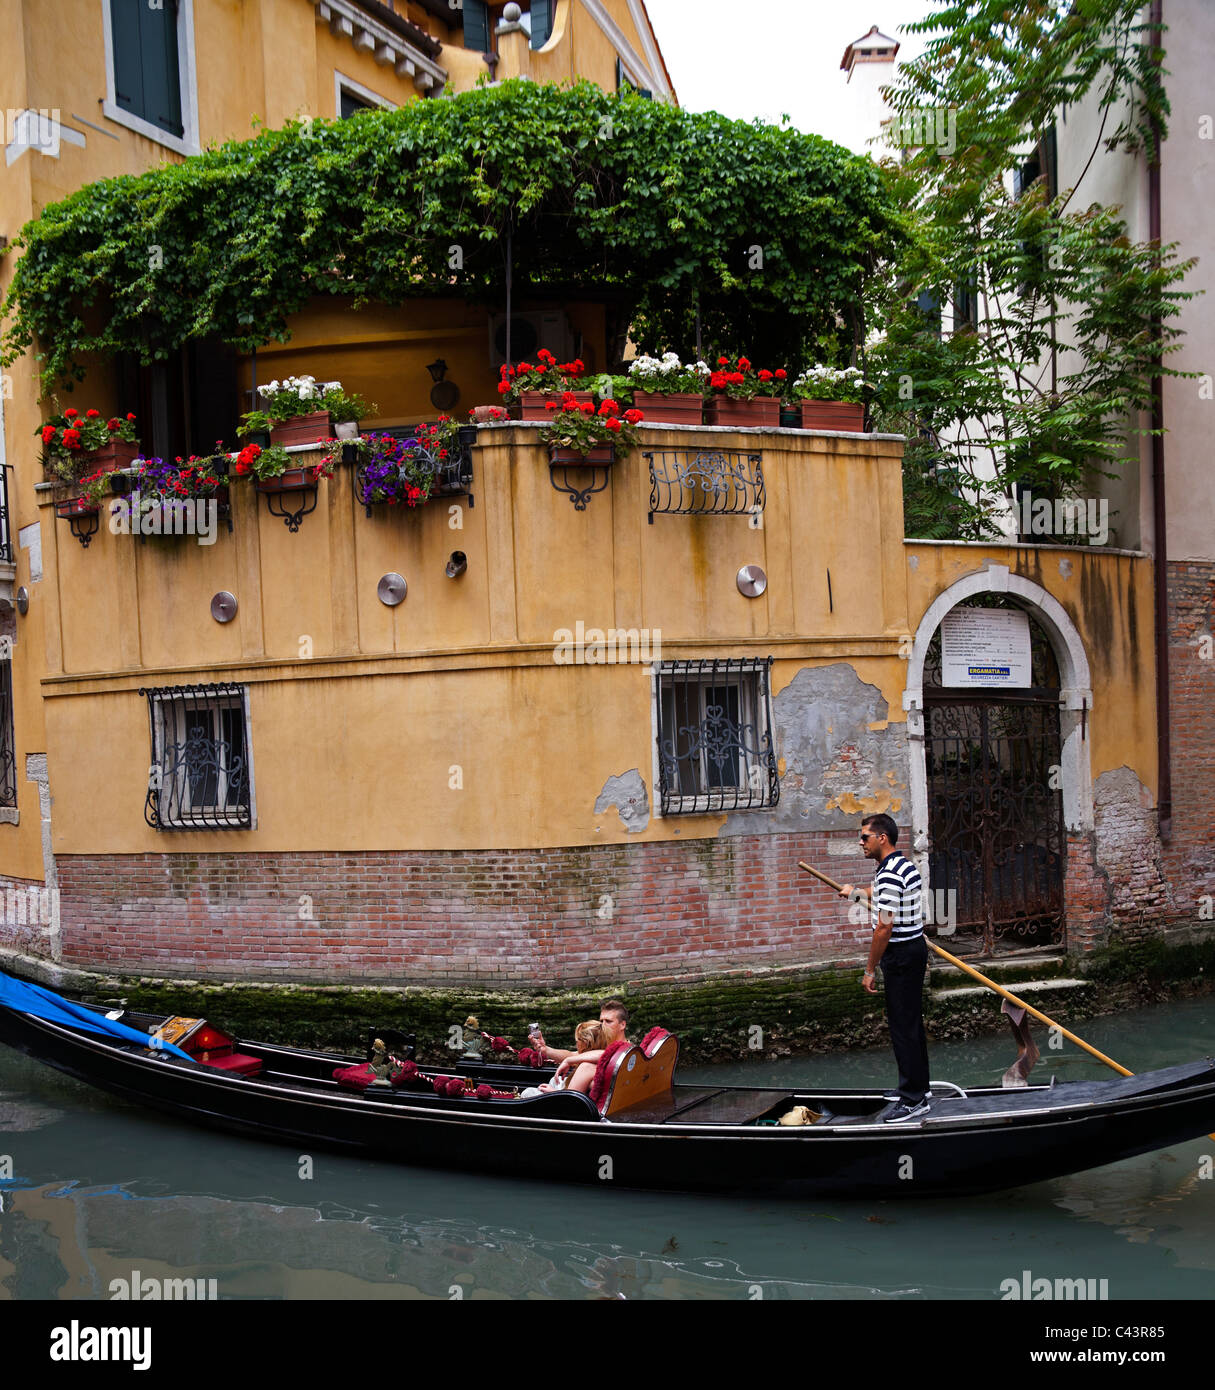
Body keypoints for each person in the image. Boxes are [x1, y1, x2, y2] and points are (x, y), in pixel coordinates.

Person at [838, 813, 931, 1123]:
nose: (860, 842)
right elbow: (880, 894)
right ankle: (919, 1087)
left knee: (902, 1027)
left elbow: (883, 928)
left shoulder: (890, 872)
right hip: (912, 950)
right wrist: (855, 893)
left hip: (901, 954)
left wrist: (869, 969)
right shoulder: (898, 866)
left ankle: (914, 1099)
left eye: (864, 837)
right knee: (911, 1023)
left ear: (882, 838)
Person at [533, 998, 631, 1067]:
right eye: (601, 1021)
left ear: (622, 1025)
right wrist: (545, 1049)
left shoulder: (628, 1052)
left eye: (608, 1021)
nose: (603, 1025)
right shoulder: (600, 1043)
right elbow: (572, 1055)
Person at [539, 1020, 605, 1094]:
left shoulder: (587, 1066)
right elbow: (571, 1054)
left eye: (578, 1039)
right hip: (569, 1094)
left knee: (528, 1092)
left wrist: (553, 1092)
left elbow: (571, 1101)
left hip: (567, 1100)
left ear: (587, 1043)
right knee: (554, 1080)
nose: (576, 1042)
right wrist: (545, 1049)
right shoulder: (590, 1056)